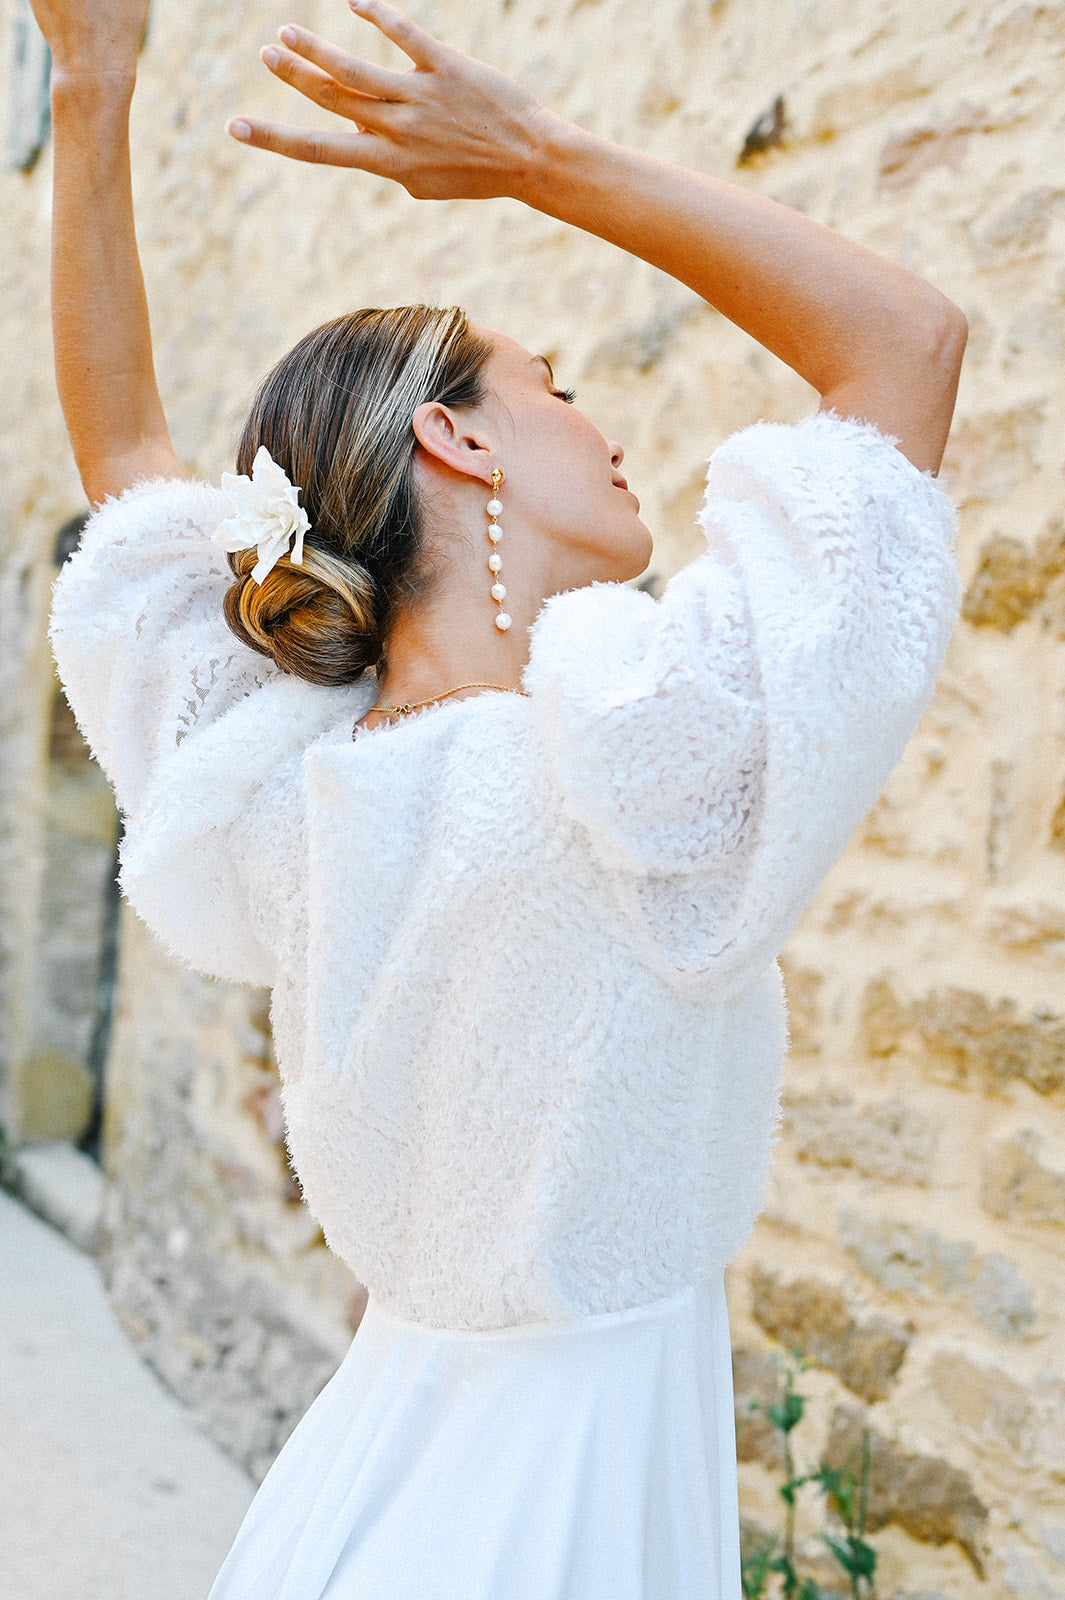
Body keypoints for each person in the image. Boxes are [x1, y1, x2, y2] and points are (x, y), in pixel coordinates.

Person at [38, 0, 966, 1595]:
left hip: (370, 1474)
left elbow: (123, 457)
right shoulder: (632, 754)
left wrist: (91, 80)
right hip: (563, 1506)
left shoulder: (291, 780)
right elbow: (905, 343)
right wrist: (535, 156)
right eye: (556, 389)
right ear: (452, 437)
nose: (604, 433)